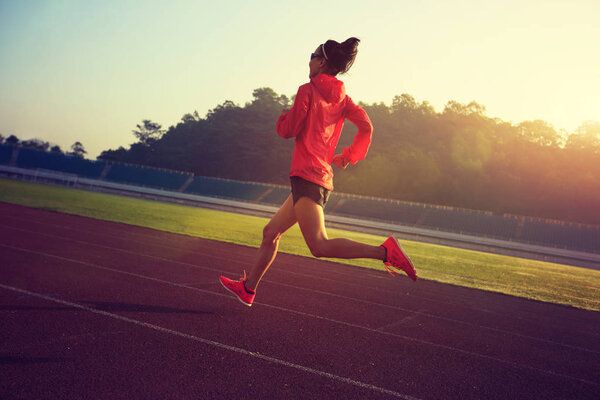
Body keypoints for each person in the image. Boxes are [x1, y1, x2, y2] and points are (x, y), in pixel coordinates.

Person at [220, 38, 417, 307]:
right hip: (315, 177)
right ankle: (248, 289)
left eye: (311, 56)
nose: (309, 61)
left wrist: (282, 117)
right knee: (271, 233)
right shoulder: (344, 100)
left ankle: (385, 252)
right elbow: (367, 127)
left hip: (308, 177)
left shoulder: (307, 91)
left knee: (319, 246)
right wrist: (349, 155)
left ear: (321, 62)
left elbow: (288, 130)